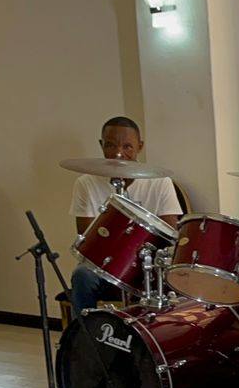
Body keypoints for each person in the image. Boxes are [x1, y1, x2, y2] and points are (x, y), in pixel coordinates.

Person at [69, 116, 181, 312]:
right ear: (101, 145)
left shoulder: (160, 182)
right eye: (110, 145)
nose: (118, 153)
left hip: (146, 264)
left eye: (127, 146)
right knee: (82, 275)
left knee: (177, 279)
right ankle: (84, 329)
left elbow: (170, 233)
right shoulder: (86, 183)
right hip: (104, 265)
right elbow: (87, 238)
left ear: (140, 146)